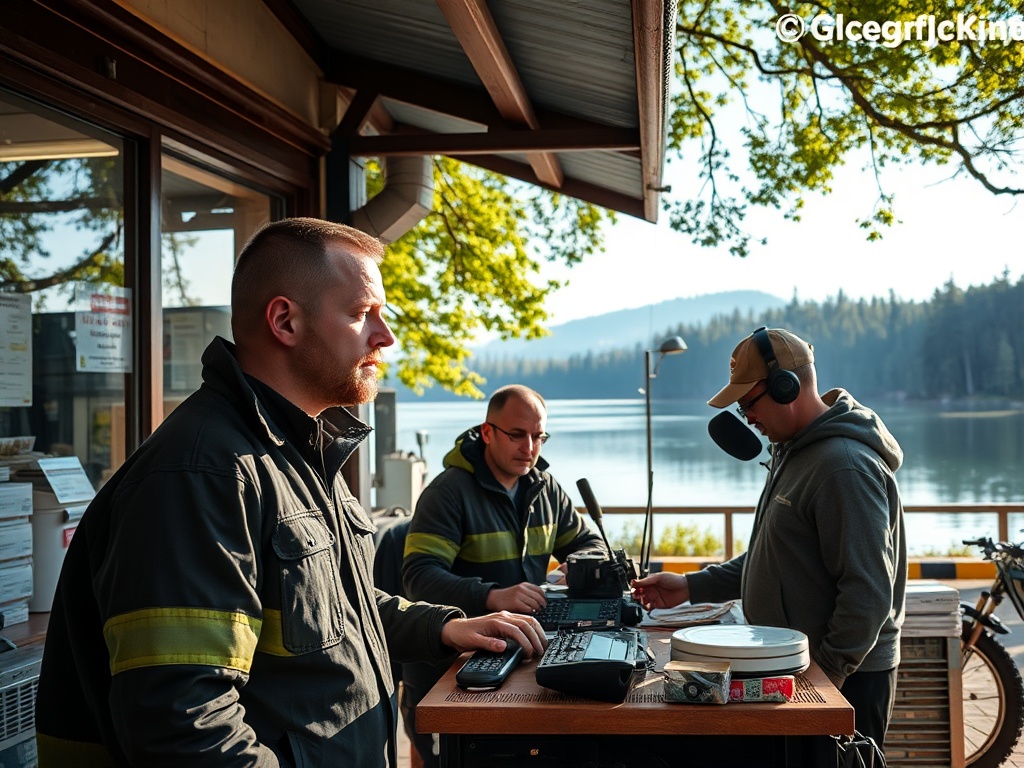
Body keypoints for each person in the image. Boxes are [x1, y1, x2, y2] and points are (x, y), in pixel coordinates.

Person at [33, 218, 545, 768]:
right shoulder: (202, 474)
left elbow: (331, 609)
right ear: (285, 321)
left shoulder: (295, 455)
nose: (385, 336)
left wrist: (443, 626)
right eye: (361, 314)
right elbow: (183, 728)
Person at [631, 327, 907, 749]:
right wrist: (690, 585)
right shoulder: (795, 452)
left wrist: (826, 678)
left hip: (844, 679)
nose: (748, 418)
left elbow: (868, 592)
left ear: (786, 387)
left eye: (749, 404)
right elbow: (777, 555)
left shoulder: (842, 467)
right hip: (798, 669)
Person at [400, 385, 604, 766]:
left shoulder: (545, 488)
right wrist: (491, 596)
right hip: (448, 670)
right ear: (488, 432)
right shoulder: (447, 493)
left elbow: (589, 543)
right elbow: (418, 578)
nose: (530, 447)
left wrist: (573, 569)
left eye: (538, 436)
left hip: (520, 658)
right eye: (517, 434)